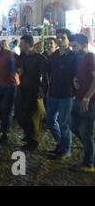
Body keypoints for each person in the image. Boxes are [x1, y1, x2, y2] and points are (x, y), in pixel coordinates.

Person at [46, 29, 79, 160]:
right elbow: (50, 73)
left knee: (64, 123)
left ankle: (65, 149)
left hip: (66, 95)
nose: (59, 40)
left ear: (68, 40)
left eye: (62, 38)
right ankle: (61, 144)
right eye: (58, 37)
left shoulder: (73, 57)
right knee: (49, 120)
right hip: (53, 93)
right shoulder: (54, 56)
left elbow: (76, 76)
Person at [15, 35, 48, 151]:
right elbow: (18, 68)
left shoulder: (40, 58)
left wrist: (43, 90)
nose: (19, 45)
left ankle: (33, 141)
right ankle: (28, 134)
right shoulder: (23, 56)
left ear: (28, 44)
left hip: (34, 91)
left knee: (33, 116)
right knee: (21, 114)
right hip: (22, 88)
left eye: (22, 43)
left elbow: (44, 76)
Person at [70, 34, 95, 172]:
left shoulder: (91, 57)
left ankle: (89, 164)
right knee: (74, 126)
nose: (73, 49)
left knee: (86, 133)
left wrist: (87, 98)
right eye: (72, 46)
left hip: (88, 101)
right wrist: (75, 79)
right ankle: (89, 148)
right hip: (79, 98)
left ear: (84, 45)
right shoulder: (80, 58)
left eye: (75, 46)